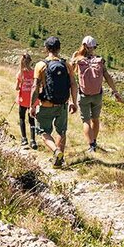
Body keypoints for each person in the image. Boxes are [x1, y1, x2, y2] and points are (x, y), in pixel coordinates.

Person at [31, 36, 78, 167]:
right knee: (61, 131)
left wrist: (32, 105)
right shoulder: (66, 65)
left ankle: (56, 151)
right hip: (62, 104)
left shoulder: (40, 65)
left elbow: (35, 87)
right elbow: (73, 84)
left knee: (43, 132)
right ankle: (59, 162)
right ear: (59, 48)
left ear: (46, 48)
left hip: (46, 104)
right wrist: (74, 102)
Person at [71, 35, 123, 153]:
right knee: (95, 119)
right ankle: (94, 141)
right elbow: (107, 76)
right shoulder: (99, 60)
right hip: (97, 95)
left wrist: (73, 59)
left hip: (84, 95)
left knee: (86, 121)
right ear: (93, 47)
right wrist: (115, 91)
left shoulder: (78, 60)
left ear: (83, 45)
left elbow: (71, 73)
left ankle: (91, 145)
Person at [15, 53, 36, 149]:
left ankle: (24, 139)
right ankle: (33, 140)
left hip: (23, 99)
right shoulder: (34, 72)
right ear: (30, 61)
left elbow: (17, 88)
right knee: (32, 119)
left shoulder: (20, 74)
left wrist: (21, 86)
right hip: (32, 100)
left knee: (22, 118)